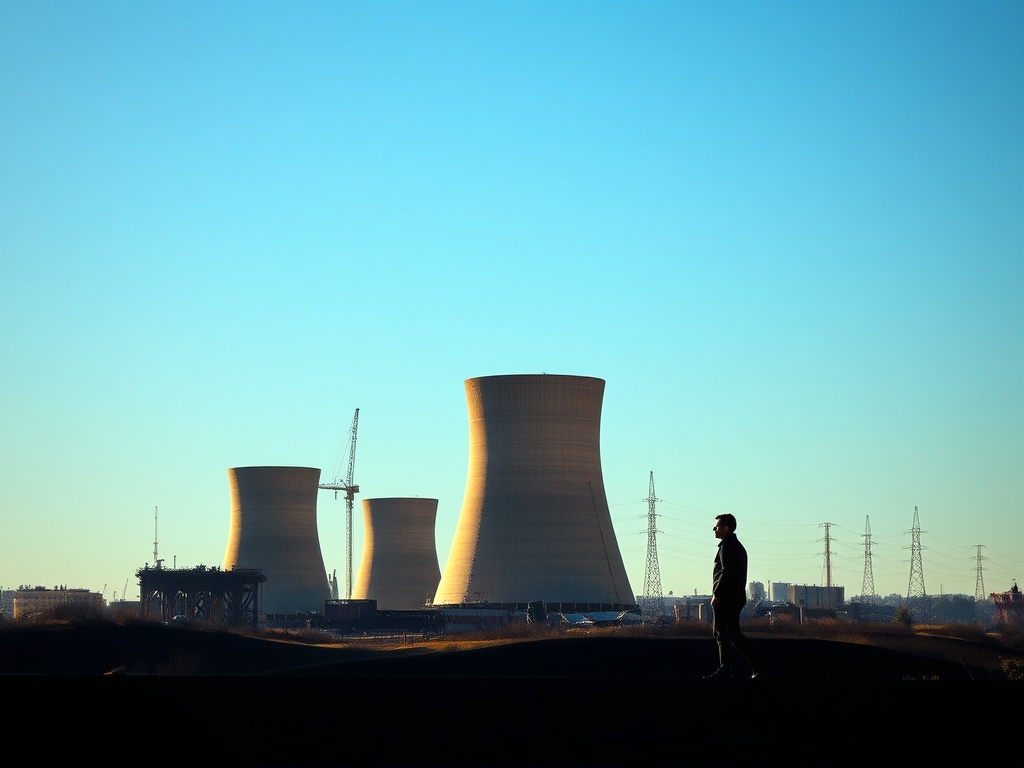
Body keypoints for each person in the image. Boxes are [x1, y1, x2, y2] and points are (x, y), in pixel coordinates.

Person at [704, 513, 762, 681]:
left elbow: (725, 572)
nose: (714, 529)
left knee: (722, 633)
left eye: (717, 526)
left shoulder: (727, 546)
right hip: (734, 597)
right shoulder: (734, 546)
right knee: (732, 634)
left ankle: (727, 670)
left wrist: (717, 593)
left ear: (726, 528)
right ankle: (756, 667)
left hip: (727, 598)